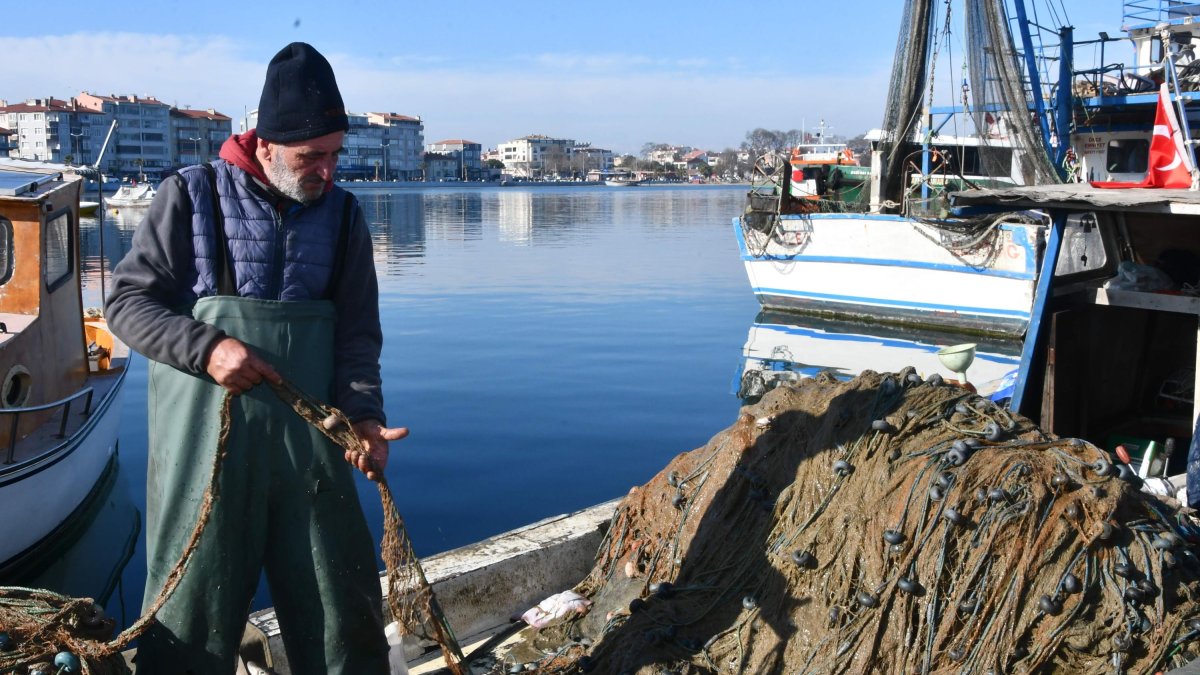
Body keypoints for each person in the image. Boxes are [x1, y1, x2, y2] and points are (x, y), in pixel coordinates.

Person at [105, 42, 403, 674]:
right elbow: (127, 308)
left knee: (340, 613)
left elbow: (356, 338)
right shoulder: (187, 198)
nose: (327, 170)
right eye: (311, 157)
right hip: (205, 455)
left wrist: (365, 415)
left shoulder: (345, 218)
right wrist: (207, 347)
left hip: (312, 452)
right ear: (264, 145)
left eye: (334, 154)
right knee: (188, 615)